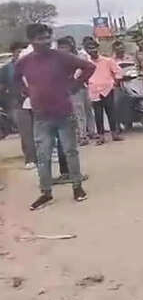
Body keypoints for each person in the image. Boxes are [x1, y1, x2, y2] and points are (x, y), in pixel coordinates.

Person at [13, 24, 94, 210]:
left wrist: (74, 85)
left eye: (48, 37)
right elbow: (16, 79)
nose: (46, 41)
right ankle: (46, 193)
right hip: (41, 116)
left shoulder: (61, 57)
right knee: (43, 155)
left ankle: (77, 187)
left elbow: (89, 67)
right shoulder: (24, 62)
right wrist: (25, 92)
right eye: (41, 38)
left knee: (70, 151)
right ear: (32, 41)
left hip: (64, 113)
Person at [0, 42, 36, 169]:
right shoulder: (6, 69)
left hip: (36, 102)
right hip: (18, 104)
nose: (21, 53)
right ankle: (30, 159)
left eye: (23, 51)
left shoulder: (33, 65)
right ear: (13, 52)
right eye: (18, 51)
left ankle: (44, 154)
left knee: (40, 130)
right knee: (26, 132)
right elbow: (2, 87)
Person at [84, 38, 124, 144]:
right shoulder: (85, 63)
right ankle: (101, 136)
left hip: (107, 89)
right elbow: (78, 75)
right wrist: (85, 83)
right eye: (89, 48)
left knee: (111, 112)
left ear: (98, 48)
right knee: (98, 114)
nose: (92, 50)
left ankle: (114, 134)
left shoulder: (107, 61)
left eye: (94, 48)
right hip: (94, 91)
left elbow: (118, 71)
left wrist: (115, 82)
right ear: (86, 50)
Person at [57, 37, 93, 145]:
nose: (62, 49)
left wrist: (80, 81)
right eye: (60, 47)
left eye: (65, 47)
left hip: (82, 87)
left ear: (70, 47)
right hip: (72, 90)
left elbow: (89, 67)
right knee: (79, 113)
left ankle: (91, 131)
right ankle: (82, 136)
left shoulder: (77, 57)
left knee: (88, 110)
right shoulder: (58, 61)